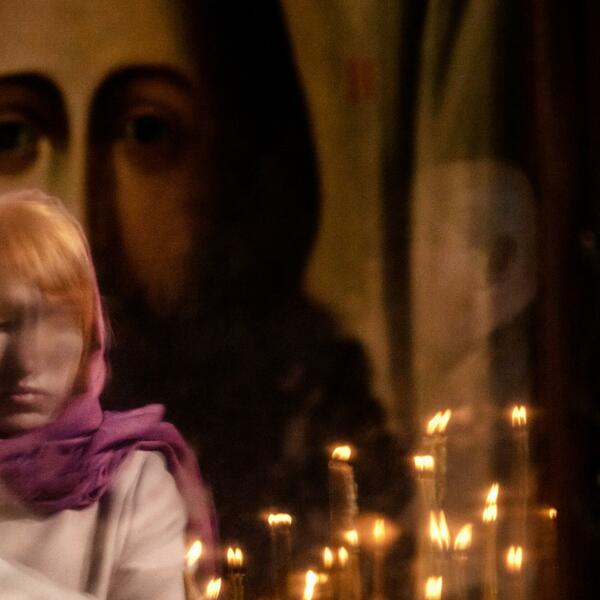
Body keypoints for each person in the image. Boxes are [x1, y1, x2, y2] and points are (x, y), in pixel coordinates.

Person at [0, 189, 214, 599]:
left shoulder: (132, 482)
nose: (26, 359)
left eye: (56, 322)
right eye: (2, 323)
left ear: (89, 335)